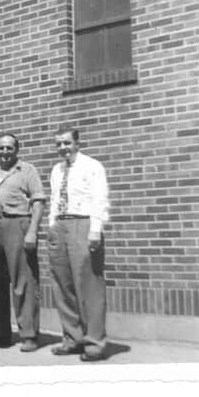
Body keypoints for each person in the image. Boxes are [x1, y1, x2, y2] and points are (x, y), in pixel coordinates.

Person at [47, 126, 110, 362]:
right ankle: (72, 339)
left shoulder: (92, 166)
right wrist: (52, 226)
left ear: (77, 143)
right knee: (63, 284)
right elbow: (55, 199)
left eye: (67, 143)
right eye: (59, 144)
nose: (63, 148)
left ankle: (94, 343)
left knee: (89, 286)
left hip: (83, 225)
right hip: (60, 227)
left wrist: (95, 231)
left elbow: (99, 199)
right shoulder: (56, 170)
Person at [0, 132, 46, 352]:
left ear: (16, 149)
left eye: (9, 148)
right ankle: (0, 333)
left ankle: (28, 333)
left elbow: (38, 201)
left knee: (23, 282)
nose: (5, 152)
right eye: (1, 147)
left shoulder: (27, 170)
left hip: (18, 225)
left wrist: (33, 231)